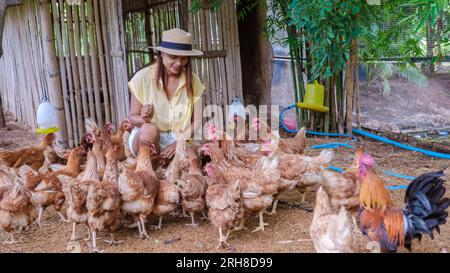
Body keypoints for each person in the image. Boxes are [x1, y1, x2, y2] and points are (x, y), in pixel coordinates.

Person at [127, 28, 205, 166]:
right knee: (149, 129)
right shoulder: (142, 79)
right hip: (146, 137)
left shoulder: (194, 81)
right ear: (161, 54)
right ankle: (152, 165)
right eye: (173, 57)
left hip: (180, 138)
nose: (179, 63)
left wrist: (179, 143)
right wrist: (144, 119)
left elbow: (197, 122)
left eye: (184, 58)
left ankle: (163, 162)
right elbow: (132, 118)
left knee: (194, 160)